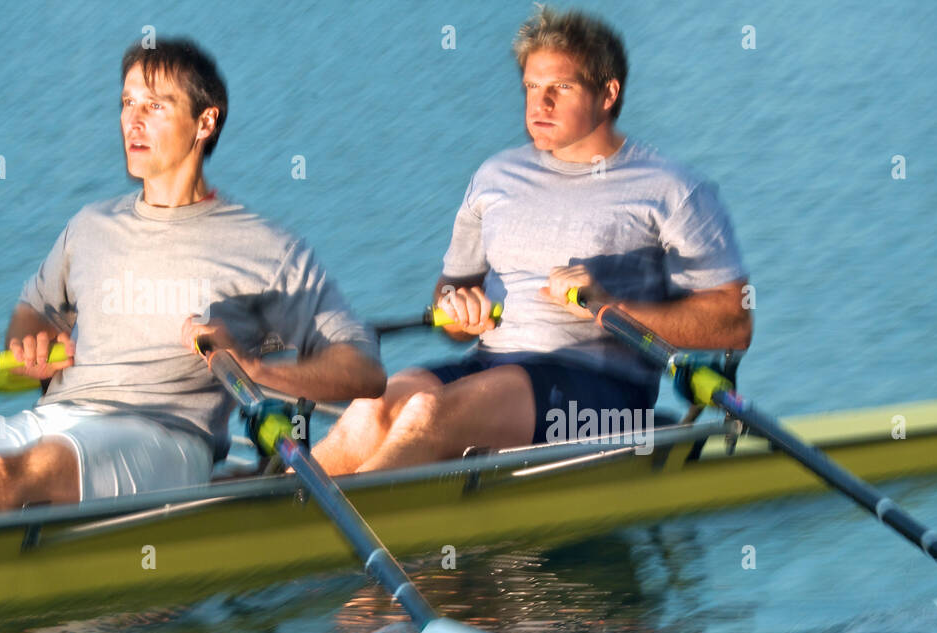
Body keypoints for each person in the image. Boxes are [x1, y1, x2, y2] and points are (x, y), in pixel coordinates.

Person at [0, 38, 385, 517]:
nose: (133, 121)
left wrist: (255, 369)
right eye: (127, 103)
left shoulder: (267, 249)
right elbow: (32, 311)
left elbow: (363, 370)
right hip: (57, 416)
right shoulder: (90, 226)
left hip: (167, 439)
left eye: (155, 106)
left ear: (205, 122)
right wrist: (28, 340)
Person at [311, 5, 750, 475]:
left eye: (560, 88)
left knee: (426, 414)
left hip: (602, 395)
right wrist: (459, 312)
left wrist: (610, 307)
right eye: (531, 88)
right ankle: (272, 516)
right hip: (492, 368)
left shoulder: (674, 191)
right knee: (371, 409)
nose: (539, 105)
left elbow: (732, 323)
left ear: (607, 94)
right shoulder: (495, 176)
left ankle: (344, 530)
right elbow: (449, 304)